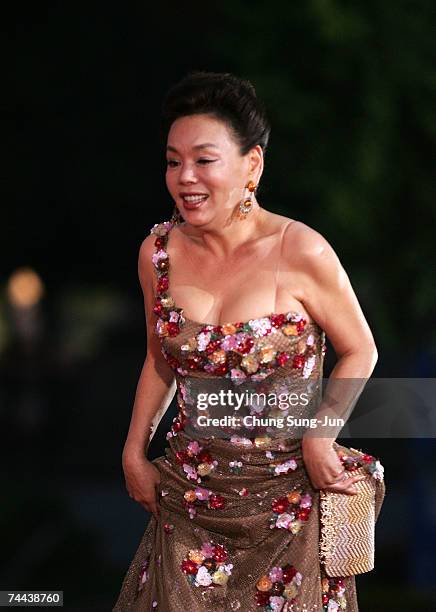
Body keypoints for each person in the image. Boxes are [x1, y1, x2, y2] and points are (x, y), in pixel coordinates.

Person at [113, 71, 385, 611]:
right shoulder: (157, 254)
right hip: (190, 503)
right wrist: (132, 450)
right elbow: (159, 359)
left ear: (252, 165)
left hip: (289, 505)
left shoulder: (300, 250)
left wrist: (318, 436)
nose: (184, 177)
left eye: (204, 160)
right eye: (173, 161)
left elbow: (362, 348)